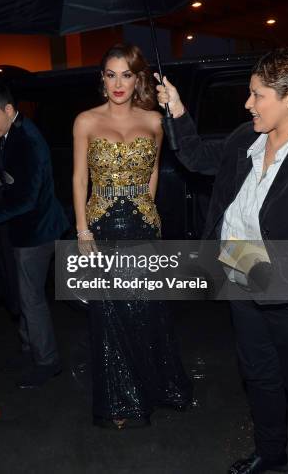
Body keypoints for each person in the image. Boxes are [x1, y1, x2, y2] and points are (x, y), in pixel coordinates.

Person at [156, 48, 288, 474]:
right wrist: (178, 111)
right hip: (240, 267)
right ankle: (271, 453)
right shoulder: (246, 137)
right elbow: (198, 158)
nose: (247, 104)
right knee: (259, 375)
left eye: (258, 96)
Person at [72, 43, 192, 429]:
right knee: (110, 316)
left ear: (137, 77)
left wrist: (150, 211)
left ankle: (158, 388)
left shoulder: (154, 120)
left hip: (143, 223)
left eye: (126, 74)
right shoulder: (86, 120)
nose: (118, 83)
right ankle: (121, 402)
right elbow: (79, 178)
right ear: (102, 80)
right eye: (111, 74)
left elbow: (155, 170)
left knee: (146, 311)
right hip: (102, 225)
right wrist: (81, 230)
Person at [0, 81, 69, 388]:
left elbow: (26, 200)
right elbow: (15, 179)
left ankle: (47, 361)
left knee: (31, 299)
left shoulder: (25, 140)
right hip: (33, 227)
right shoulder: (13, 131)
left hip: (37, 232)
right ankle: (29, 347)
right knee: (25, 294)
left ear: (8, 109)